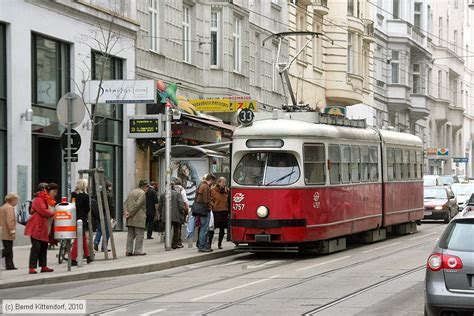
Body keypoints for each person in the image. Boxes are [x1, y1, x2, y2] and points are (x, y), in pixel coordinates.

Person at [25, 183, 57, 274]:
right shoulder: (38, 199)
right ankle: (32, 267)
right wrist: (53, 213)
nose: (55, 193)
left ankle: (43, 266)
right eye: (53, 191)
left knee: (43, 246)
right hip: (36, 226)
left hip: (44, 227)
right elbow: (43, 211)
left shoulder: (48, 200)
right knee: (36, 247)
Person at [124, 180, 148, 256]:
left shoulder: (132, 192)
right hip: (138, 217)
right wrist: (130, 213)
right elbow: (138, 204)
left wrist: (126, 212)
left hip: (130, 218)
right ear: (144, 187)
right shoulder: (142, 193)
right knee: (139, 235)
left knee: (130, 235)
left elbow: (125, 203)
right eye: (147, 187)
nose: (147, 189)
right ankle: (138, 250)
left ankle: (128, 250)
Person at [158, 182, 185, 249]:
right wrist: (182, 212)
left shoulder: (163, 194)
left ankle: (167, 243)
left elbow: (160, 206)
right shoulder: (177, 194)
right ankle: (174, 244)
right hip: (176, 215)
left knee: (167, 230)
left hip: (166, 216)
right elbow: (181, 205)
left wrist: (161, 215)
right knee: (176, 230)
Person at [71, 179, 91, 266]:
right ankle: (72, 258)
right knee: (78, 238)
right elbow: (87, 209)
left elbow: (72, 205)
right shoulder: (85, 196)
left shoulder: (73, 194)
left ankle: (88, 256)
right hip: (82, 219)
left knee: (82, 238)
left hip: (74, 218)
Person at [195, 174, 216, 252]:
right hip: (204, 210)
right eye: (212, 181)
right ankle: (202, 246)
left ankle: (201, 245)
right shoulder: (206, 187)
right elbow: (206, 200)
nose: (212, 183)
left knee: (202, 228)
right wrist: (210, 205)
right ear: (210, 180)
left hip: (200, 210)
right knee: (204, 229)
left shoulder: (201, 185)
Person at [93, 181, 115, 252]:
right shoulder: (109, 195)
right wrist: (113, 216)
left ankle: (96, 242)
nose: (111, 188)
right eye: (110, 186)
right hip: (106, 214)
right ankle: (104, 246)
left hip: (99, 213)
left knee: (100, 229)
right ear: (108, 187)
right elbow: (111, 206)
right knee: (107, 231)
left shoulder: (98, 194)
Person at [0, 193, 19, 270]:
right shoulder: (9, 208)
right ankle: (9, 264)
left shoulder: (3, 207)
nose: (16, 202)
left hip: (3, 231)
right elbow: (10, 220)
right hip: (8, 231)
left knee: (8, 249)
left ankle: (9, 265)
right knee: (8, 249)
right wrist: (12, 231)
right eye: (16, 200)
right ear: (12, 200)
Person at [210, 177, 230, 249]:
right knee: (213, 228)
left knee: (222, 229)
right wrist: (212, 206)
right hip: (216, 211)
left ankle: (220, 243)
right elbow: (210, 199)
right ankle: (209, 243)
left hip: (224, 211)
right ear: (219, 183)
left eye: (225, 182)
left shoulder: (227, 190)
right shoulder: (213, 190)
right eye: (223, 182)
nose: (224, 184)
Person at [174, 178, 189, 247]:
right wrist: (187, 209)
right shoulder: (182, 190)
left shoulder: (171, 189)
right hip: (180, 210)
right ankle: (178, 242)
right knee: (178, 226)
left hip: (172, 210)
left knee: (173, 226)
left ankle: (173, 241)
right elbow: (185, 200)